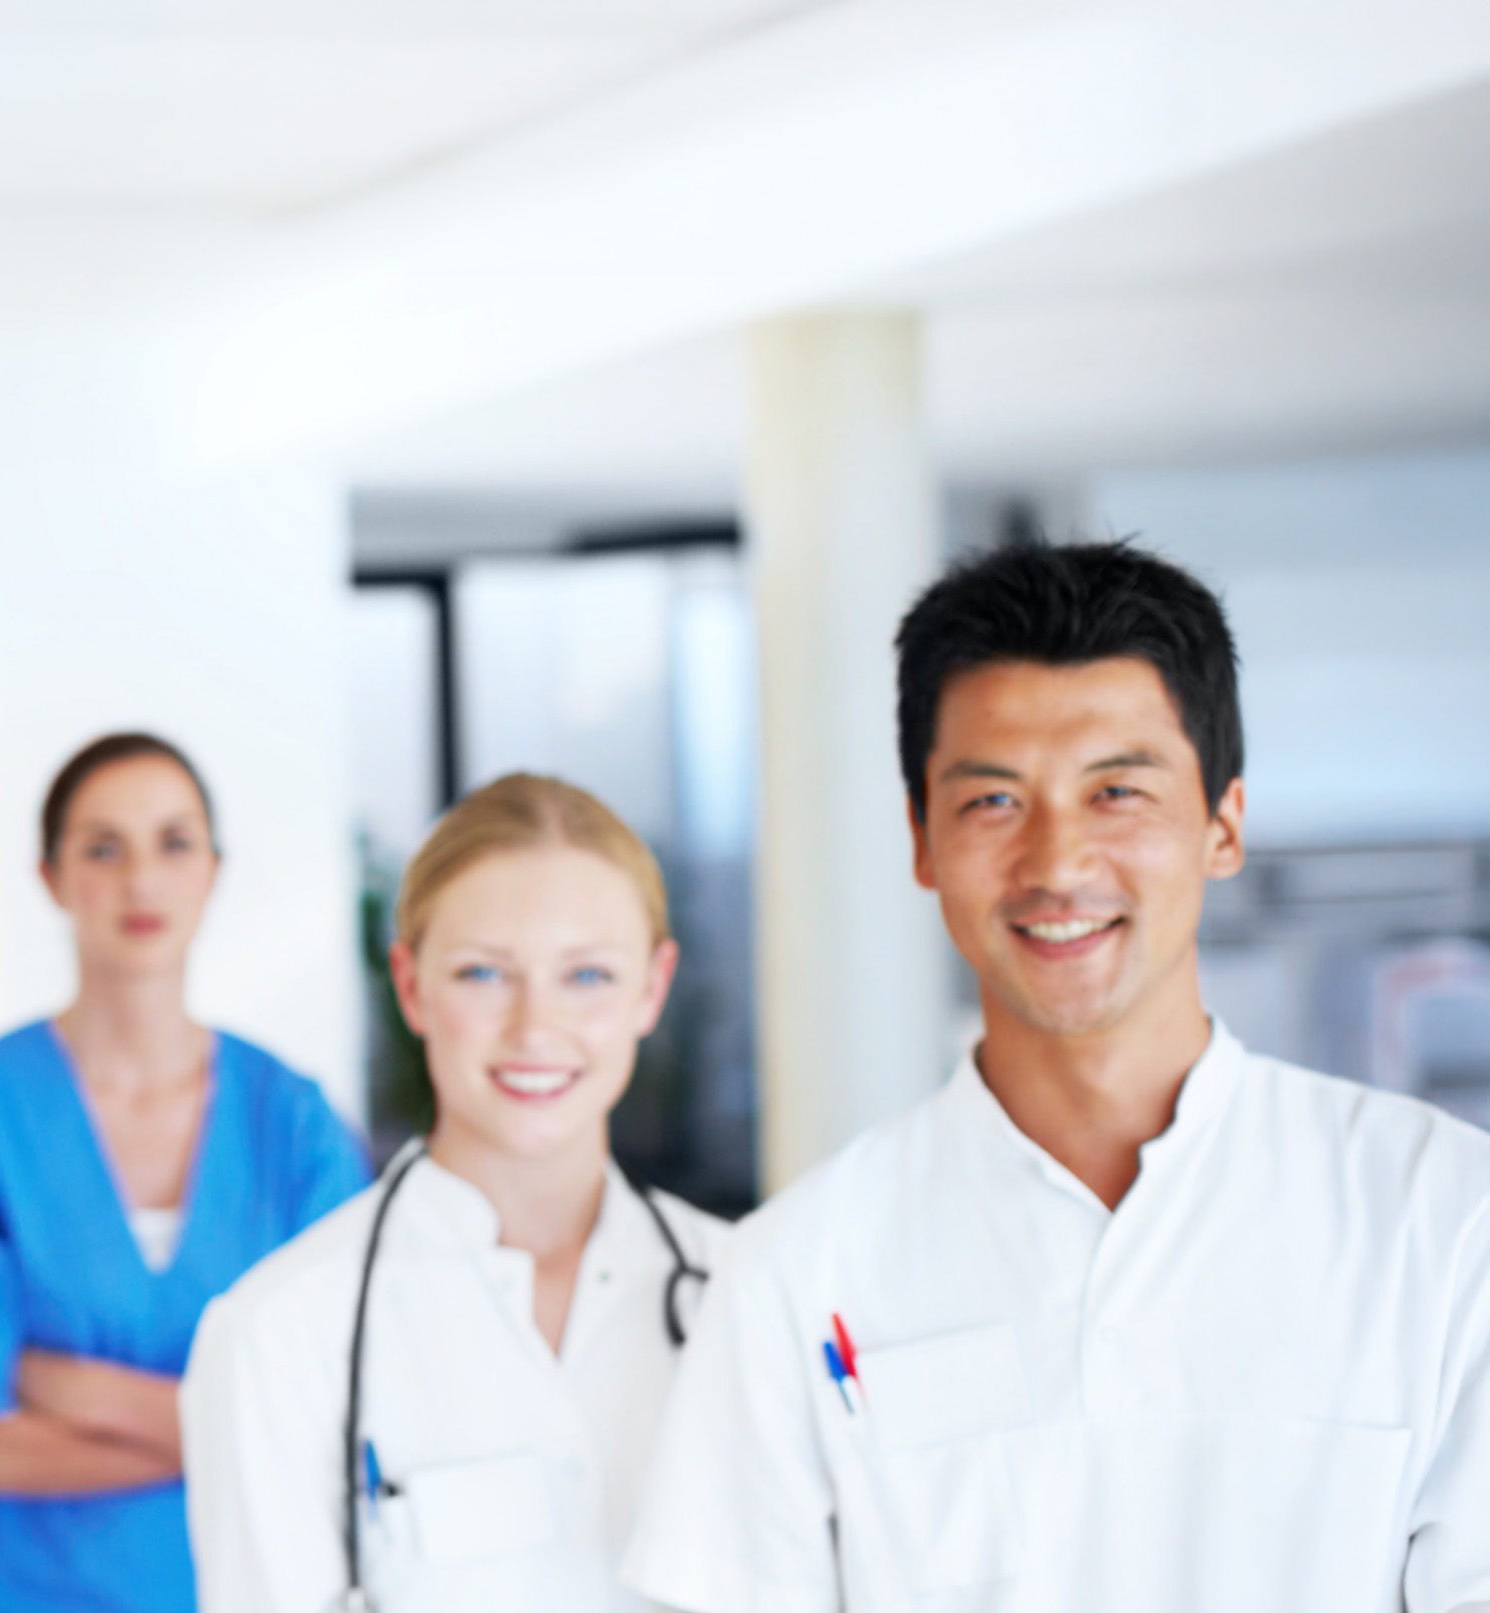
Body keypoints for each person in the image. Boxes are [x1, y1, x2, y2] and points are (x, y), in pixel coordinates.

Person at [622, 541, 1490, 1612]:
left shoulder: (1444, 1219)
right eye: (992, 801)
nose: (1055, 861)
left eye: (1116, 790)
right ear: (920, 837)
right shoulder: (793, 1273)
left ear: (1222, 823)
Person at [180, 773, 727, 1613]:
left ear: (652, 988)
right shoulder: (279, 1336)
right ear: (410, 986)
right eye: (482, 972)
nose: (535, 1026)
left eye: (587, 975)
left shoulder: (747, 1293)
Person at [0, 733, 371, 1613]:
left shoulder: (295, 1125)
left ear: (213, 869)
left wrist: (75, 1386)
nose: (141, 879)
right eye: (104, 847)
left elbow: (341, 1426)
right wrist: (227, 1422)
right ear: (51, 876)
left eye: (173, 843)